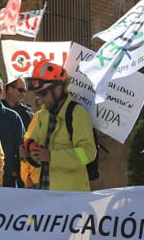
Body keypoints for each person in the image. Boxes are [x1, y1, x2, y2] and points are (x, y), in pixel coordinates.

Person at [22, 61, 96, 191]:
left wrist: (52, 156)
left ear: (58, 89)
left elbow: (88, 153)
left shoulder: (77, 113)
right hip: (45, 193)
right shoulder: (42, 115)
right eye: (38, 94)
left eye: (44, 94)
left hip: (70, 196)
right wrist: (29, 152)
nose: (41, 100)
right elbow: (39, 156)